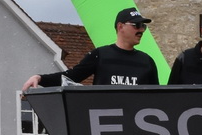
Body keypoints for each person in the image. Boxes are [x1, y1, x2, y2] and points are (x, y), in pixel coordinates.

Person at [23, 6, 159, 87]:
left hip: (137, 128)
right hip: (107, 125)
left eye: (143, 26)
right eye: (137, 25)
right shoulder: (100, 55)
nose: (141, 30)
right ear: (120, 26)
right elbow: (71, 77)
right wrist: (40, 78)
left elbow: (157, 98)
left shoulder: (147, 61)